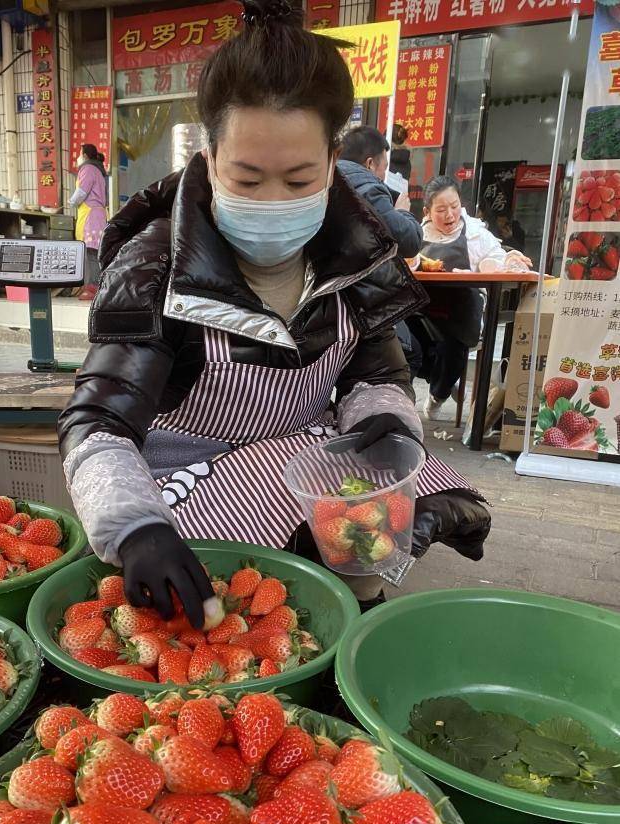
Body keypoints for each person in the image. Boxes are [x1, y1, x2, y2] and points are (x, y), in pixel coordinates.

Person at [57, 0, 491, 628]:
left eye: (297, 180)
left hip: (308, 461)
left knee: (387, 508)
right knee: (228, 614)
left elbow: (376, 377)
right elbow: (99, 422)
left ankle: (357, 620)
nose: (272, 201)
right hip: (190, 486)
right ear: (209, 158)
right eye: (248, 178)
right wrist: (136, 528)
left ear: (332, 160)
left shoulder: (359, 255)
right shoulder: (157, 267)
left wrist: (388, 425)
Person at [410, 175, 530, 420]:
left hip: (460, 313)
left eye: (454, 207)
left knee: (453, 349)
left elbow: (497, 258)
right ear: (427, 211)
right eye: (441, 210)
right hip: (422, 311)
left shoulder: (476, 233)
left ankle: (439, 392)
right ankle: (433, 382)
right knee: (406, 345)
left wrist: (510, 259)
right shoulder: (416, 236)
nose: (450, 215)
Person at [338, 126, 422, 258]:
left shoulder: (325, 183)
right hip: (361, 277)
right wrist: (403, 212)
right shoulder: (370, 192)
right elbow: (411, 242)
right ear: (370, 164)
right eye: (385, 168)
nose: (384, 176)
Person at [69, 142, 108, 290]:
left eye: (79, 154)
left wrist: (71, 202)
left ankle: (92, 286)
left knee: (90, 251)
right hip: (97, 214)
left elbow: (82, 192)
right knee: (94, 250)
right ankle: (94, 285)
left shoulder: (88, 168)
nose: (78, 157)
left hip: (91, 215)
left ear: (84, 155)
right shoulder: (98, 170)